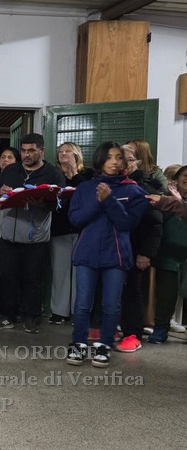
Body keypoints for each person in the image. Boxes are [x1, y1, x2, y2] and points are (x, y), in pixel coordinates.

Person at [66, 142, 147, 367]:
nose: (114, 161)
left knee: (111, 305)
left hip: (117, 255)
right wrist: (99, 201)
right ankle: (78, 343)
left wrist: (109, 200)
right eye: (110, 157)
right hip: (87, 253)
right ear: (100, 160)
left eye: (118, 157)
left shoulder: (133, 190)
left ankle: (104, 345)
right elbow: (76, 219)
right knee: (82, 303)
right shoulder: (84, 188)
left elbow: (127, 223)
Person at [0, 133, 66, 334]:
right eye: (23, 150)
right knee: (7, 277)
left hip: (36, 236)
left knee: (32, 279)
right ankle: (7, 316)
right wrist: (0, 192)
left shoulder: (53, 173)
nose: (26, 154)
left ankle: (31, 317)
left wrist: (42, 203)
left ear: (42, 150)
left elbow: (61, 203)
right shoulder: (11, 170)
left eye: (31, 150)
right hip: (8, 234)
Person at [115, 144, 162, 352]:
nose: (122, 163)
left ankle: (133, 334)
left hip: (135, 248)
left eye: (128, 159)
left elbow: (154, 222)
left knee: (132, 292)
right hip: (112, 247)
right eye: (118, 158)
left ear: (137, 162)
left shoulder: (144, 186)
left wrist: (145, 252)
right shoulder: (111, 183)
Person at [145, 166, 187, 344]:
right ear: (175, 181)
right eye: (184, 175)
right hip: (168, 256)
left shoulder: (170, 202)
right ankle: (161, 328)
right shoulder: (162, 200)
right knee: (166, 295)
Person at [48, 142, 87, 325]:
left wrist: (74, 172)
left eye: (68, 151)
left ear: (77, 154)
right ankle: (59, 312)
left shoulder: (87, 175)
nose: (63, 154)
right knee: (60, 273)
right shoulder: (54, 175)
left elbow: (87, 194)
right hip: (60, 228)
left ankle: (77, 311)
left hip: (82, 231)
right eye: (60, 152)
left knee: (80, 274)